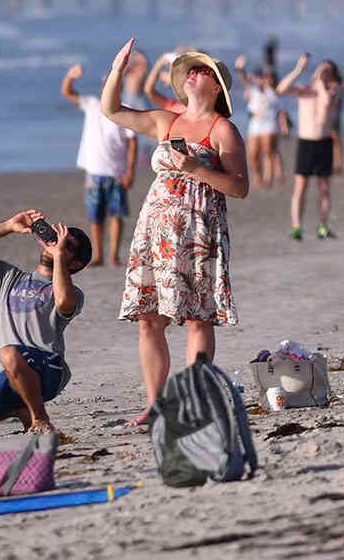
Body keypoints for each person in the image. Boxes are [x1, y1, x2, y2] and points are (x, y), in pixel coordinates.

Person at [102, 39, 250, 426]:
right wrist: (118, 70)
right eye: (191, 70)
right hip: (157, 228)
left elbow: (240, 187)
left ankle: (196, 401)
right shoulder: (166, 121)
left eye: (202, 71)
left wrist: (196, 169)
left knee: (199, 318)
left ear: (216, 87)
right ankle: (155, 404)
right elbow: (112, 110)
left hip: (200, 228)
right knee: (149, 319)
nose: (193, 73)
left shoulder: (224, 131)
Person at [0, 211, 92, 439]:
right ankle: (17, 408)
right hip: (2, 373)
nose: (56, 243)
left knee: (9, 353)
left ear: (76, 263)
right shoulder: (10, 279)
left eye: (67, 244)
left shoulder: (71, 292)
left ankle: (40, 418)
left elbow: (63, 302)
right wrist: (8, 226)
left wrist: (59, 255)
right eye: (56, 237)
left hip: (47, 368)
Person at [61, 64, 138, 267]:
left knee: (116, 215)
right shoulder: (92, 104)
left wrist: (130, 170)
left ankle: (113, 256)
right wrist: (71, 75)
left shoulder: (124, 111)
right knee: (96, 216)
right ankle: (98, 255)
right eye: (107, 85)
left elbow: (132, 142)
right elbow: (67, 92)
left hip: (117, 172)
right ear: (104, 87)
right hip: (94, 171)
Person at [277, 54, 342, 240]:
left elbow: (326, 104)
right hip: (305, 142)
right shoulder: (306, 90)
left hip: (324, 141)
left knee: (324, 187)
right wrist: (299, 69)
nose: (323, 72)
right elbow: (281, 89)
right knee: (300, 186)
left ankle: (323, 225)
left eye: (328, 70)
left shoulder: (332, 90)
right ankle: (296, 226)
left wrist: (322, 81)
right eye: (322, 68)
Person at [234, 55, 283, 189]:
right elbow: (244, 80)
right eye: (262, 77)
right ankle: (258, 176)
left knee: (268, 152)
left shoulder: (273, 91)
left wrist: (284, 125)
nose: (264, 80)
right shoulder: (253, 89)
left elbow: (280, 111)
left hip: (269, 124)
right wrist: (239, 69)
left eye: (266, 78)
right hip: (255, 125)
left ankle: (268, 178)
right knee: (253, 154)